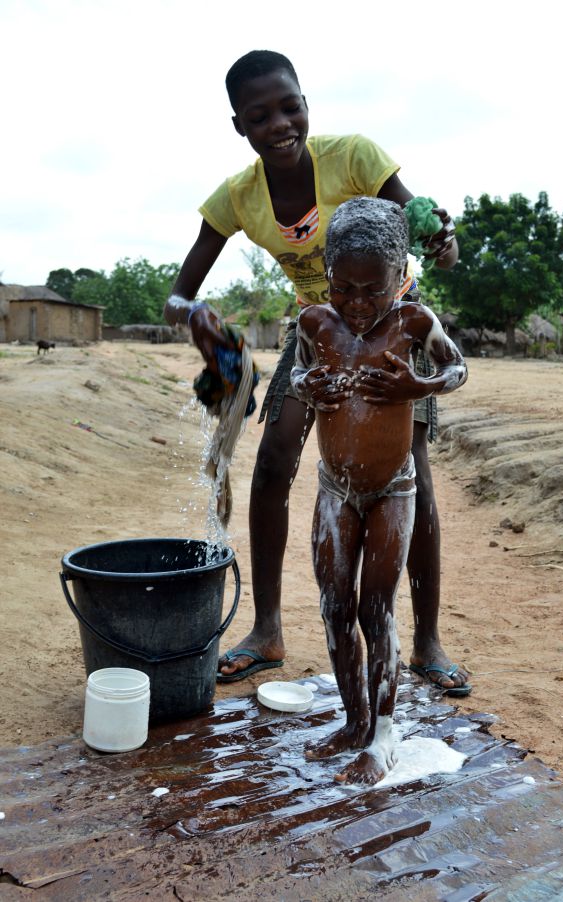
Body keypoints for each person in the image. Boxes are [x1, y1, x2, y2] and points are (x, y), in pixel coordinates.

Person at [164, 49, 471, 695]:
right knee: (275, 460)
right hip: (319, 331)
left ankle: (427, 642)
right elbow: (179, 294)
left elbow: (432, 234)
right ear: (239, 126)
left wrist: (442, 239)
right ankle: (267, 629)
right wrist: (212, 335)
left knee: (409, 469)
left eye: (289, 106)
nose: (279, 123)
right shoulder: (238, 198)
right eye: (260, 115)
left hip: (395, 327)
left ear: (305, 103)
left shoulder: (355, 157)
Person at [291, 197, 468, 783]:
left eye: (375, 289)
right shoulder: (315, 323)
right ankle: (353, 720)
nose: (359, 303)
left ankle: (383, 738)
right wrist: (309, 385)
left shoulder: (414, 322)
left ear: (401, 276)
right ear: (328, 276)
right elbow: (297, 374)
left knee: (377, 607)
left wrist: (417, 386)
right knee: (335, 605)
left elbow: (457, 369)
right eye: (345, 288)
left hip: (394, 488)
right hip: (334, 489)